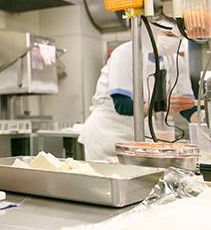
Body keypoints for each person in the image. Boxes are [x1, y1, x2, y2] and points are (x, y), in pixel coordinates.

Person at [78, 25, 198, 161]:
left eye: (178, 36)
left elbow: (188, 107)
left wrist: (204, 124)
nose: (173, 40)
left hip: (143, 136)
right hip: (110, 134)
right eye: (169, 35)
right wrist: (161, 106)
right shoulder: (125, 53)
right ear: (151, 31)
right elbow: (122, 105)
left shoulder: (175, 61)